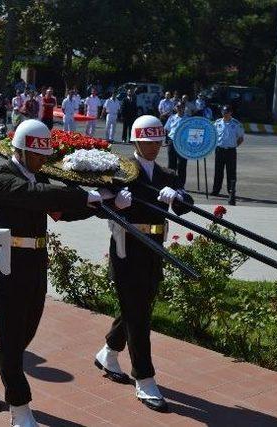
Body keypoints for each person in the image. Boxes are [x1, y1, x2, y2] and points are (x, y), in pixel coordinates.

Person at [0, 119, 112, 427]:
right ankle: (20, 411)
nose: (40, 162)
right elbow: (36, 195)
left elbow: (59, 211)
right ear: (20, 151)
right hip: (7, 269)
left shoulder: (35, 178)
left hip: (34, 267)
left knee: (24, 334)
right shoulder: (3, 178)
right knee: (11, 341)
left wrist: (103, 203)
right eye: (36, 156)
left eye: (43, 157)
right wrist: (82, 196)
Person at [93, 114, 193, 413]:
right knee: (138, 315)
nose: (154, 147)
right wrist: (114, 204)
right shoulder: (121, 170)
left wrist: (177, 196)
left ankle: (109, 352)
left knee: (139, 306)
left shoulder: (167, 174)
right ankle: (145, 379)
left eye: (157, 141)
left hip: (154, 248)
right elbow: (98, 204)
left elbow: (187, 205)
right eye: (148, 141)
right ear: (136, 140)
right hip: (127, 247)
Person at [211, 105, 244, 200]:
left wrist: (233, 146)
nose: (225, 114)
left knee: (231, 172)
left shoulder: (236, 124)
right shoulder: (217, 123)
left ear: (231, 113)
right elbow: (212, 134)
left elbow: (241, 138)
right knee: (218, 171)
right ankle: (215, 190)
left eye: (227, 112)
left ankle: (231, 191)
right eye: (223, 112)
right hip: (219, 150)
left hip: (231, 151)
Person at [164, 102, 188, 187]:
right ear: (176, 108)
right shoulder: (172, 117)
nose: (179, 108)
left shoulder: (188, 119)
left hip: (182, 143)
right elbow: (167, 129)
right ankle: (170, 183)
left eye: (181, 107)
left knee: (182, 164)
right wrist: (167, 140)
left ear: (184, 108)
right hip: (172, 142)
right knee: (171, 164)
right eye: (178, 106)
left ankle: (181, 185)